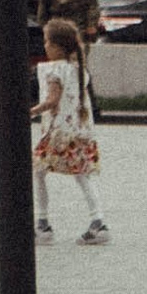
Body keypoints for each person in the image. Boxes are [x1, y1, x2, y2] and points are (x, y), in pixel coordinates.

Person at [32, 18, 106, 243]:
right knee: (83, 176)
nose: (44, 46)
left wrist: (31, 111)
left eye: (46, 42)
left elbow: (53, 100)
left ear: (56, 47)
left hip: (58, 134)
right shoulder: (78, 70)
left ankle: (43, 224)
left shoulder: (55, 70)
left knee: (38, 172)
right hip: (80, 134)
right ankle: (99, 222)